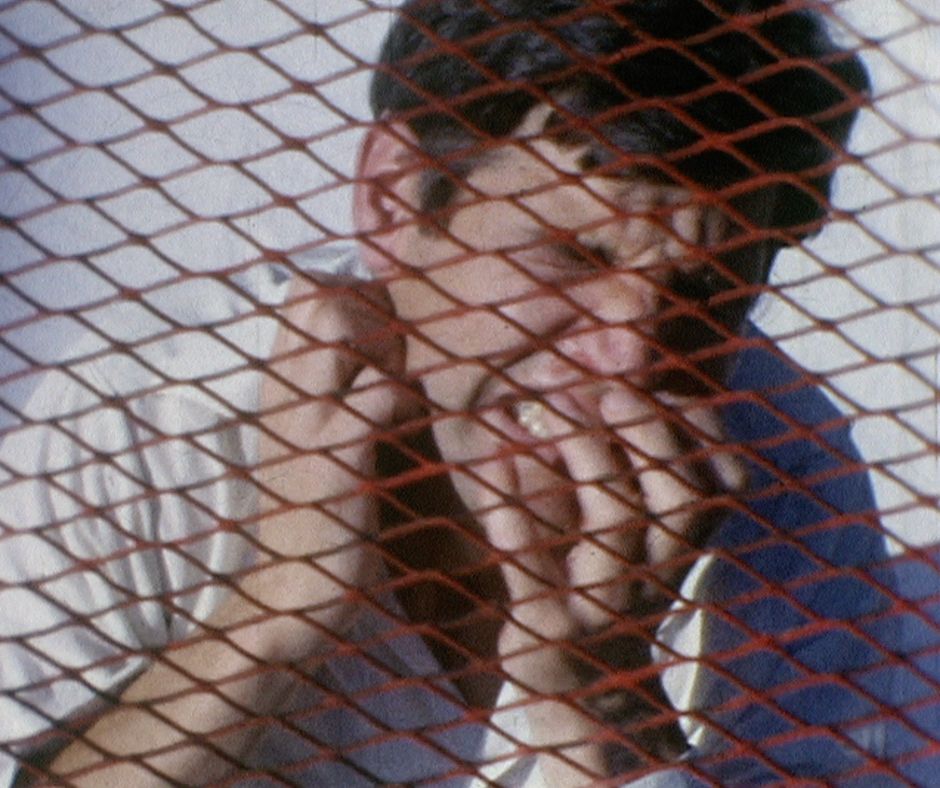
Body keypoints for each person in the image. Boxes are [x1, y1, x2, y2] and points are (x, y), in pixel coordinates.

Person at [0, 0, 915, 785]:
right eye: (572, 257)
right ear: (395, 200)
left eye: (709, 291)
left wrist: (605, 709)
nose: (630, 356)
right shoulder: (151, 417)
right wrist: (270, 617)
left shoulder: (782, 470)